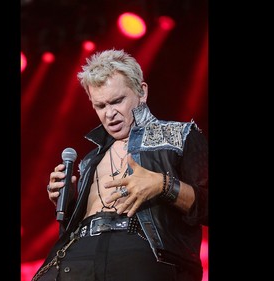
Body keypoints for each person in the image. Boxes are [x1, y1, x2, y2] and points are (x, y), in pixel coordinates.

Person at [31, 49, 208, 281]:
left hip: (140, 253)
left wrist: (164, 185)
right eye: (100, 106)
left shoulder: (180, 135)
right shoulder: (90, 159)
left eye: (117, 101)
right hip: (78, 254)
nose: (110, 114)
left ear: (141, 92)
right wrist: (71, 203)